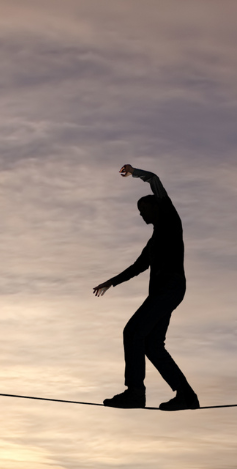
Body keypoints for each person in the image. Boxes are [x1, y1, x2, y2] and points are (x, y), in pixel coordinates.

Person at [93, 164, 200, 410]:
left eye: (143, 210)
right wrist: (111, 282)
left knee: (132, 332)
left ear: (155, 206)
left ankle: (135, 392)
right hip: (166, 292)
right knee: (152, 345)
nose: (141, 215)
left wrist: (134, 172)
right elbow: (137, 266)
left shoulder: (171, 221)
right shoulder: (153, 243)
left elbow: (155, 180)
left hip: (170, 288)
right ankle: (186, 395)